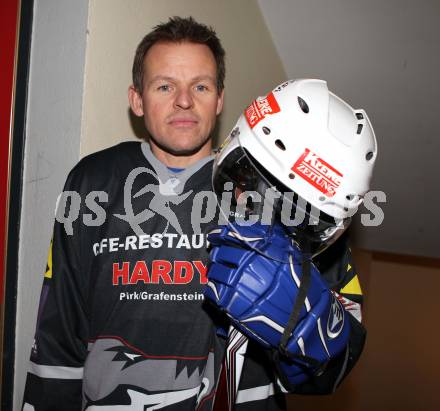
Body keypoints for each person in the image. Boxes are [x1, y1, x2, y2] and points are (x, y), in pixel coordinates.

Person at [22, 17, 369, 410]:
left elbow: (340, 357)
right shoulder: (92, 181)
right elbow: (57, 334)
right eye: (165, 86)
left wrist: (309, 329)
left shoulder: (276, 184)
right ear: (137, 99)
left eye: (200, 86)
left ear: (220, 99)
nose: (184, 101)